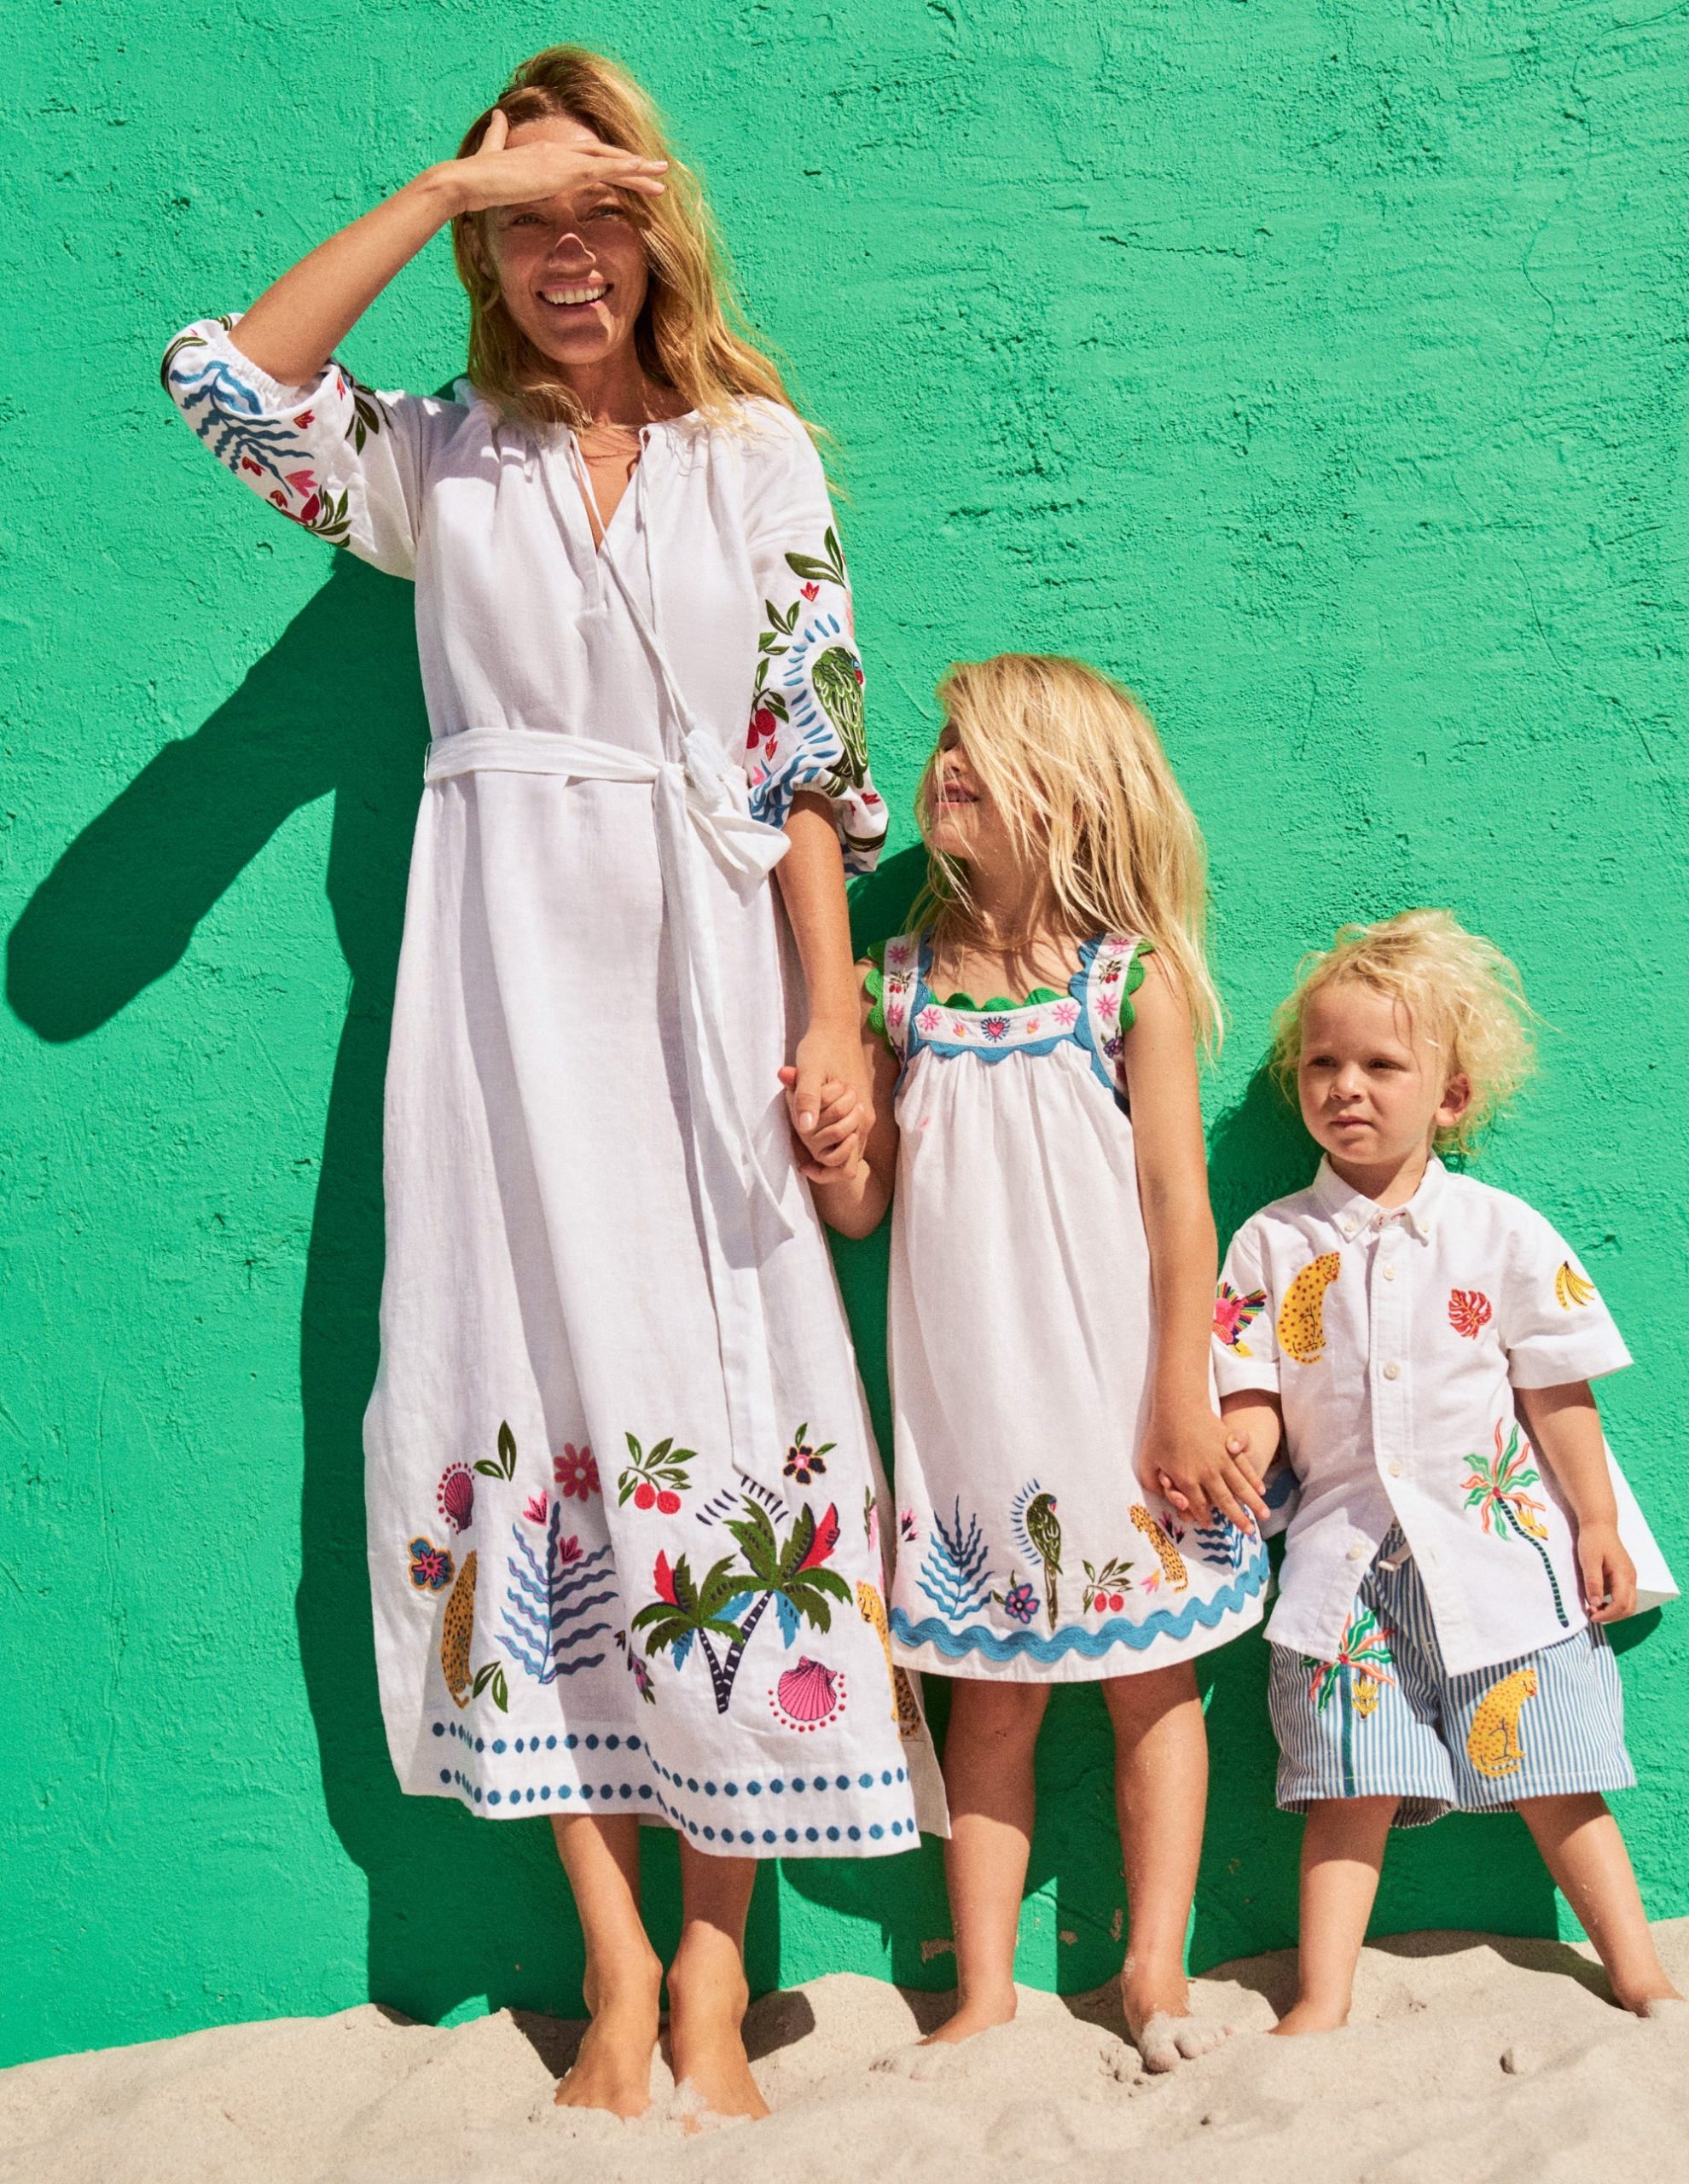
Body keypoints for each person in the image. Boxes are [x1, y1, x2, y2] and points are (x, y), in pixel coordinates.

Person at [161, 44, 944, 2122]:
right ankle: (613, 1957)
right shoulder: (443, 462)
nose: (566, 255)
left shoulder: (755, 454)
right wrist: (446, 184)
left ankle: (717, 1965)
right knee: (518, 1400)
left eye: (601, 213)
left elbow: (806, 751)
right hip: (497, 992)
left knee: (733, 1407)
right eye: (528, 226)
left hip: (706, 974)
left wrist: (832, 1014)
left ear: (657, 231)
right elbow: (223, 380)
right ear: (488, 255)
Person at [794, 654, 1269, 2070]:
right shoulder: (896, 986)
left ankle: (1153, 1971)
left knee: (1152, 1682)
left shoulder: (1130, 985)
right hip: (974, 1403)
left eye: (982, 750)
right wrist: (835, 1151)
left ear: (1069, 794)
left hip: (1119, 1398)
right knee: (987, 1698)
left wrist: (1180, 1398)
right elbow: (865, 1208)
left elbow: (1181, 1208)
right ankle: (987, 1993)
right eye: (945, 742)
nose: (947, 765)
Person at [1214, 909, 1680, 2034]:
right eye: (1322, 1064)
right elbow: (1252, 1389)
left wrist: (1598, 1521)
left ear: (1451, 1097)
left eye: (1383, 1065)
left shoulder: (1500, 1233)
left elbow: (1557, 1390)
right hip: (1345, 1577)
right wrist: (1246, 1444)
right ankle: (1323, 1998)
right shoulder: (1271, 1242)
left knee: (1557, 1774)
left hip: (1499, 1564)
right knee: (1349, 1785)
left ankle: (1641, 1973)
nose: (1347, 1086)